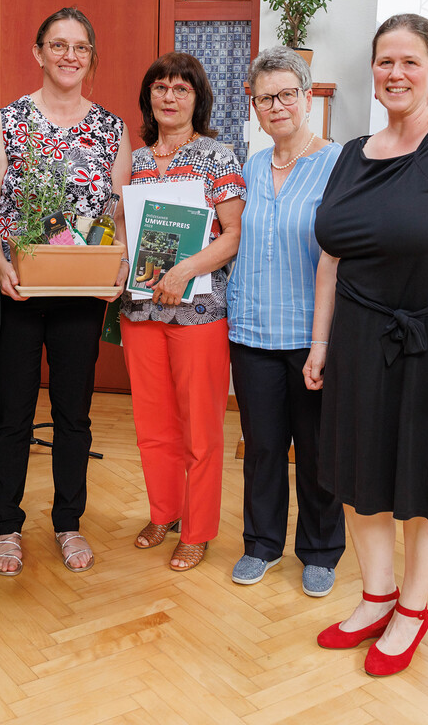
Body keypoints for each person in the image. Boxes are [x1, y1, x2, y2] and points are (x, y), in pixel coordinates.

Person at [305, 13, 428, 677]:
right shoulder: (352, 154)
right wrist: (320, 344)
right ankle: (376, 597)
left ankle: (412, 611)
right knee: (360, 481)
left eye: (410, 61)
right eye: (385, 61)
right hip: (359, 344)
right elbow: (331, 259)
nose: (396, 73)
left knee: (425, 486)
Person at [0, 7, 132, 576]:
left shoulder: (112, 128)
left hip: (81, 296)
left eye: (80, 47)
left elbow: (117, 213)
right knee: (11, 413)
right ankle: (6, 526)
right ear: (38, 53)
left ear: (91, 57)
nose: (70, 56)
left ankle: (68, 521)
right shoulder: (8, 121)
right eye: (58, 45)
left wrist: (118, 268)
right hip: (18, 292)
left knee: (74, 415)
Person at [226, 46, 345, 596]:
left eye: (286, 95)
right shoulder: (251, 166)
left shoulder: (339, 164)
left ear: (307, 97)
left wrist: (325, 341)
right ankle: (261, 544)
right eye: (264, 98)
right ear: (254, 106)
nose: (276, 106)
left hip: (311, 336)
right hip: (251, 331)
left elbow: (342, 255)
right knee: (263, 447)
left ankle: (320, 550)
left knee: (317, 450)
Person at [120, 52, 245, 572]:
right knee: (153, 423)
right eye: (160, 88)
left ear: (198, 99)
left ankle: (196, 531)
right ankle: (164, 513)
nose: (168, 97)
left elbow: (233, 235)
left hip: (199, 312)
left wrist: (183, 270)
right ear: (148, 96)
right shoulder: (134, 160)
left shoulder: (218, 156)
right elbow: (122, 229)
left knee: (201, 429)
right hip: (141, 310)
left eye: (181, 89)